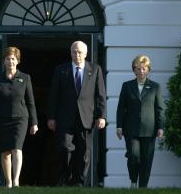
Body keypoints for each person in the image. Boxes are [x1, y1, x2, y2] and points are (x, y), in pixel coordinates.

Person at [47, 40, 107, 186]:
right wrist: (51, 117)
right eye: (74, 51)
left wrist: (102, 116)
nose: (77, 54)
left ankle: (79, 183)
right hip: (65, 118)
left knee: (84, 153)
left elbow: (100, 95)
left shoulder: (95, 69)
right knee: (65, 149)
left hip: (87, 118)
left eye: (80, 52)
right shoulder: (61, 70)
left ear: (86, 54)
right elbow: (54, 95)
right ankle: (66, 178)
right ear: (71, 53)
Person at [0, 46, 38, 188]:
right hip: (2, 119)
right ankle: (8, 182)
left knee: (17, 148)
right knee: (5, 152)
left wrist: (34, 123)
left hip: (20, 119)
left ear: (18, 61)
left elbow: (31, 101)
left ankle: (16, 180)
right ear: (4, 61)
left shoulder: (25, 78)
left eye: (13, 59)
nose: (10, 61)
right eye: (8, 59)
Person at [116, 55, 164, 188]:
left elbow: (159, 109)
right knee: (133, 156)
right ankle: (133, 180)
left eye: (144, 68)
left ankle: (143, 187)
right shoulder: (126, 86)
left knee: (146, 160)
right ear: (134, 70)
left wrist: (161, 127)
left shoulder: (155, 87)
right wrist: (119, 126)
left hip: (149, 129)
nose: (141, 71)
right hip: (130, 128)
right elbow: (121, 108)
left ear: (148, 70)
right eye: (138, 68)